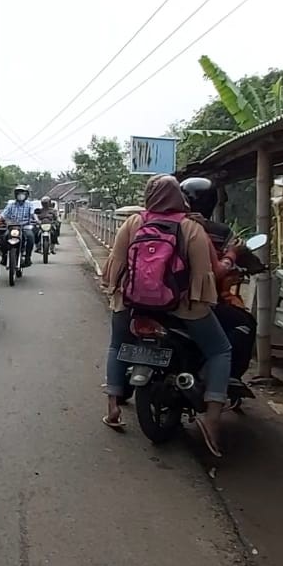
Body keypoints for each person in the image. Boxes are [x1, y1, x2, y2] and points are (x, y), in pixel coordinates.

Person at [100, 174, 232, 456]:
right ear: (178, 197)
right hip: (181, 307)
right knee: (220, 350)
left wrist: (116, 292)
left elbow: (116, 264)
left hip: (132, 303)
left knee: (116, 346)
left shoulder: (134, 222)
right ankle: (212, 418)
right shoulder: (191, 228)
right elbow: (204, 276)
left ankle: (113, 409)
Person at [180, 176, 255, 385]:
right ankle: (225, 378)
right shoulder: (217, 232)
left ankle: (118, 389)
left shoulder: (157, 223)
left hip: (153, 297)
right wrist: (232, 253)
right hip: (199, 300)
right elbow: (216, 271)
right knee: (244, 324)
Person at [0, 184, 40, 267]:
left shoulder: (29, 204)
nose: (21, 195)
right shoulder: (11, 204)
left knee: (30, 237)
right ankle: (4, 256)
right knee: (3, 238)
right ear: (15, 195)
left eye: (23, 193)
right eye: (19, 193)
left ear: (26, 195)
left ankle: (28, 257)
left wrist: (37, 220)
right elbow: (3, 214)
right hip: (12, 227)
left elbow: (33, 214)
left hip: (24, 227)